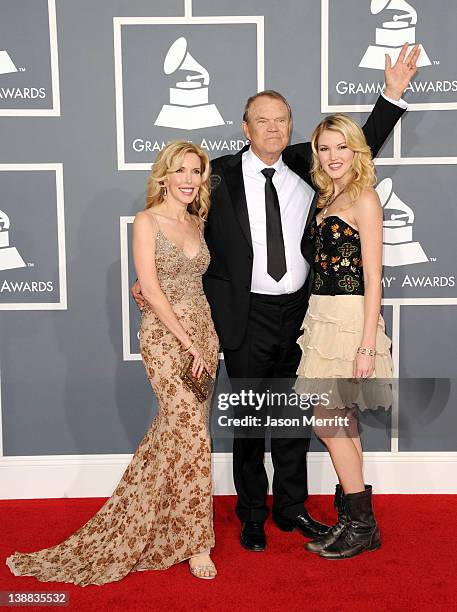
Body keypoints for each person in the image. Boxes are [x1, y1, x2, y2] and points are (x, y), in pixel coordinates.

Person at [132, 44, 420, 552]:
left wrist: (392, 94)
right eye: (262, 121)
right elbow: (178, 226)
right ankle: (250, 513)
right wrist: (151, 279)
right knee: (248, 418)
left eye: (282, 120)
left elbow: (359, 144)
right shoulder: (213, 176)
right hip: (244, 314)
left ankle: (292, 507)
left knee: (295, 418)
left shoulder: (310, 167)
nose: (273, 129)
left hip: (303, 315)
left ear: (291, 127)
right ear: (245, 128)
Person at [6, 140, 220, 584]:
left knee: (178, 434)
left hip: (204, 333)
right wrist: (186, 342)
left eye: (195, 172)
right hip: (167, 339)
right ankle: (198, 542)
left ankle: (164, 520)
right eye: (179, 170)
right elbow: (152, 289)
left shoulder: (198, 222)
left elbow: (194, 282)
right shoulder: (147, 221)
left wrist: (202, 341)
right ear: (163, 175)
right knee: (193, 433)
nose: (187, 179)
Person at [295, 113, 394, 559]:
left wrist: (367, 344)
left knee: (329, 421)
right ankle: (357, 523)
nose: (333, 156)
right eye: (325, 148)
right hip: (322, 314)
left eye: (342, 147)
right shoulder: (325, 196)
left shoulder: (365, 199)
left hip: (351, 320)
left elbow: (374, 277)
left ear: (357, 151)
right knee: (340, 421)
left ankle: (360, 524)